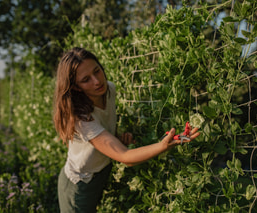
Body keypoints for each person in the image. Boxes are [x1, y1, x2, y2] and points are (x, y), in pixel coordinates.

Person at [53, 47, 201, 212]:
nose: (97, 81)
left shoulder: (109, 90)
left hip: (101, 172)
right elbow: (126, 157)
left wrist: (116, 138)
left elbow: (104, 126)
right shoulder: (81, 118)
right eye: (86, 79)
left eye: (97, 71)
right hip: (80, 184)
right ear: (76, 87)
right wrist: (164, 145)